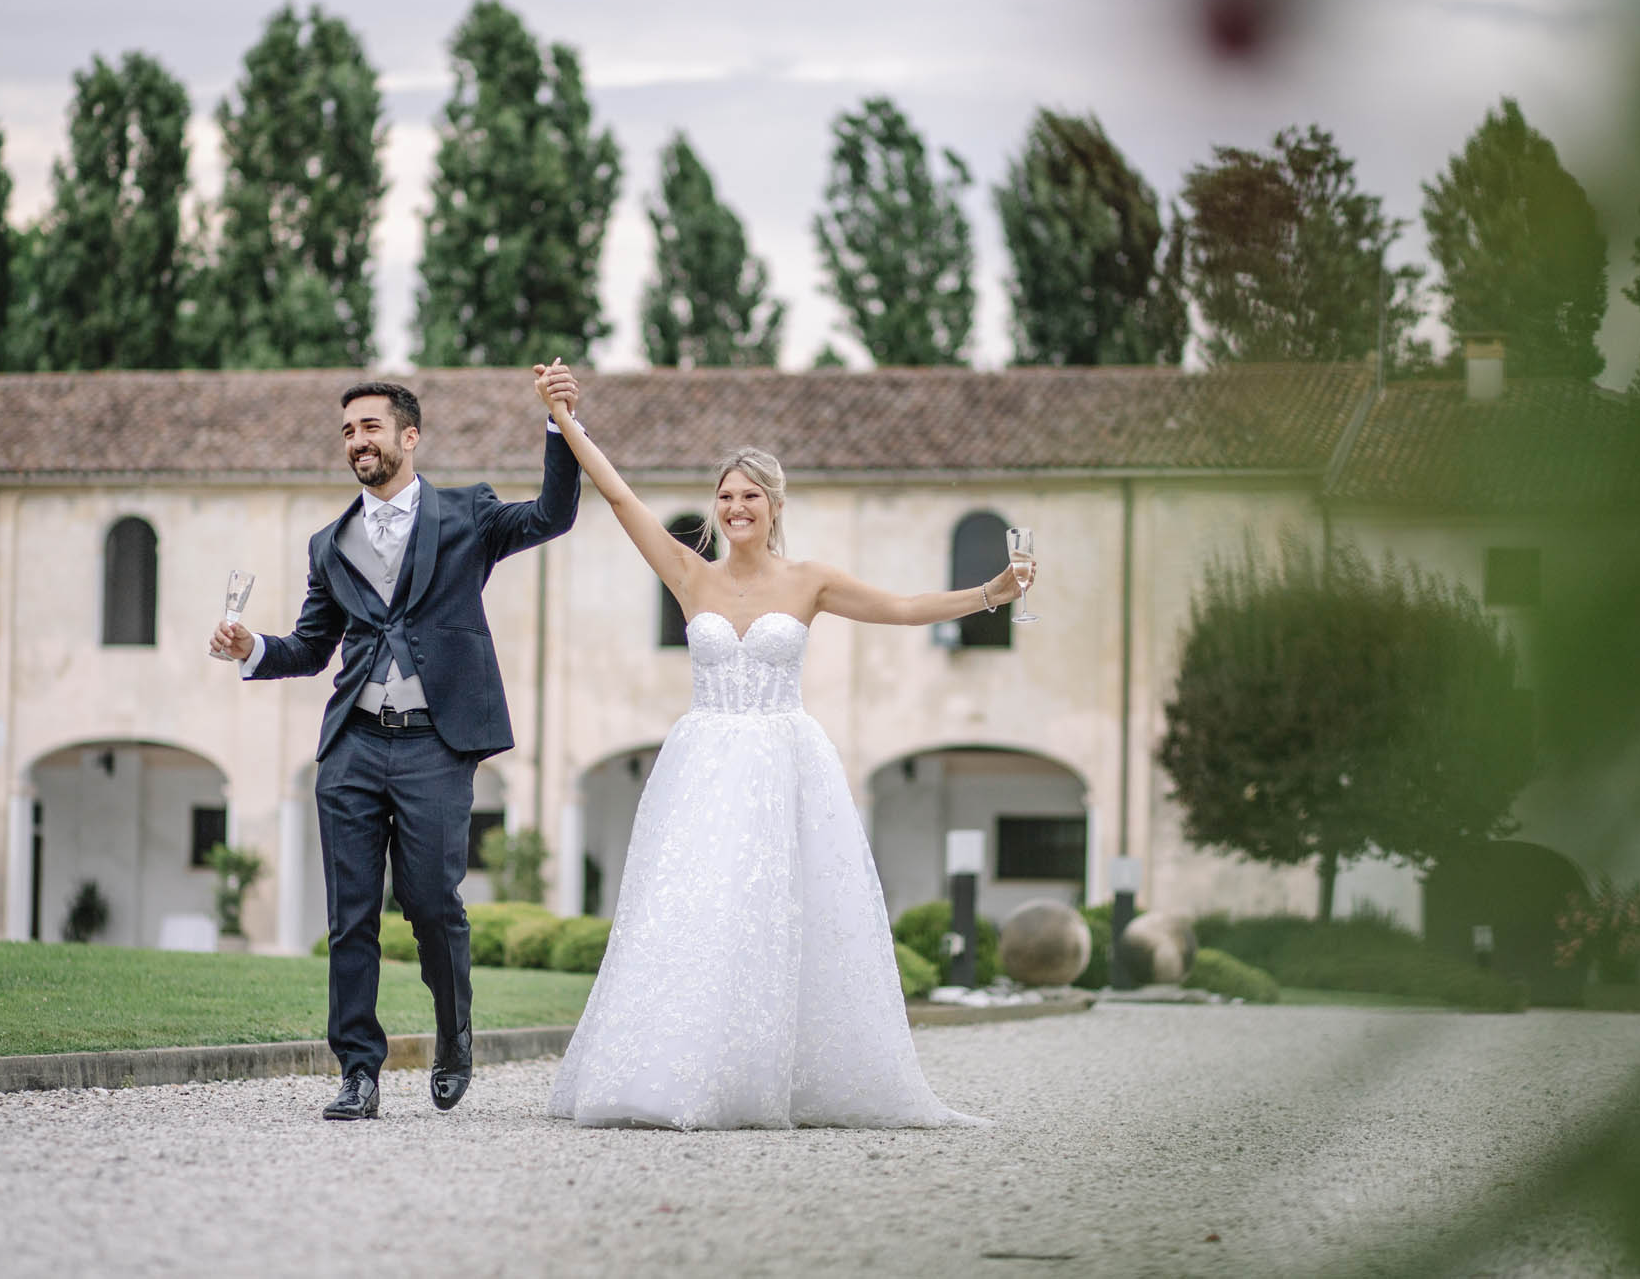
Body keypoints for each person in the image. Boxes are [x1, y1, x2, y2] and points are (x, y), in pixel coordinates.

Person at [533, 360, 1030, 1130]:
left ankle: (766, 1075)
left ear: (773, 506)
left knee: (771, 914)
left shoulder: (809, 582)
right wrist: (566, 419)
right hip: (701, 761)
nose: (735, 507)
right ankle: (673, 1075)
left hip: (780, 758)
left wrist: (990, 593)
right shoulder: (687, 574)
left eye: (749, 497)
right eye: (726, 496)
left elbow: (901, 607)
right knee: (690, 910)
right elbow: (620, 494)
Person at [210, 378, 581, 1120]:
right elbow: (312, 647)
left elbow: (551, 515)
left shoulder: (467, 514)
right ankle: (358, 1069)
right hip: (352, 744)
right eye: (348, 430)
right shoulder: (330, 544)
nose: (357, 441)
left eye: (370, 426)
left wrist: (558, 423)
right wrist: (255, 647)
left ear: (409, 437)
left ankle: (453, 1033)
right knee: (350, 914)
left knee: (431, 901)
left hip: (434, 745)